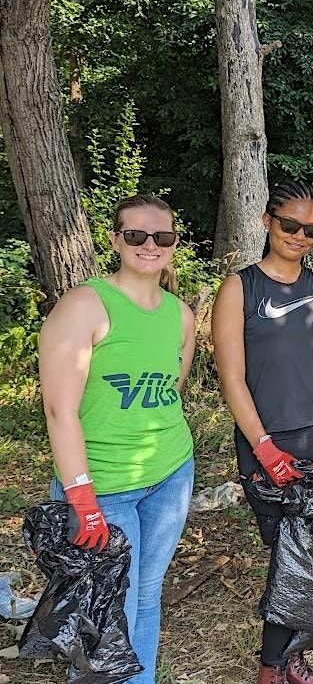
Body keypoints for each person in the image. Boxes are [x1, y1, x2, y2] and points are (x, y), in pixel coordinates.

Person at [39, 194, 195, 684]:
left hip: (169, 474)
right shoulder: (86, 305)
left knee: (146, 593)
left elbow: (172, 387)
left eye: (162, 236)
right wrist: (81, 496)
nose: (150, 245)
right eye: (136, 235)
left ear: (174, 244)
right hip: (104, 487)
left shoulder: (180, 314)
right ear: (115, 239)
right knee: (108, 604)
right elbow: (59, 410)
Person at [212, 181, 313, 684]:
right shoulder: (239, 288)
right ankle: (273, 667)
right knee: (286, 553)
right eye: (290, 224)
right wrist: (263, 445)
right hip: (267, 441)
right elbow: (231, 377)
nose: (299, 236)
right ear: (267, 222)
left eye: (311, 229)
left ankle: (289, 657)